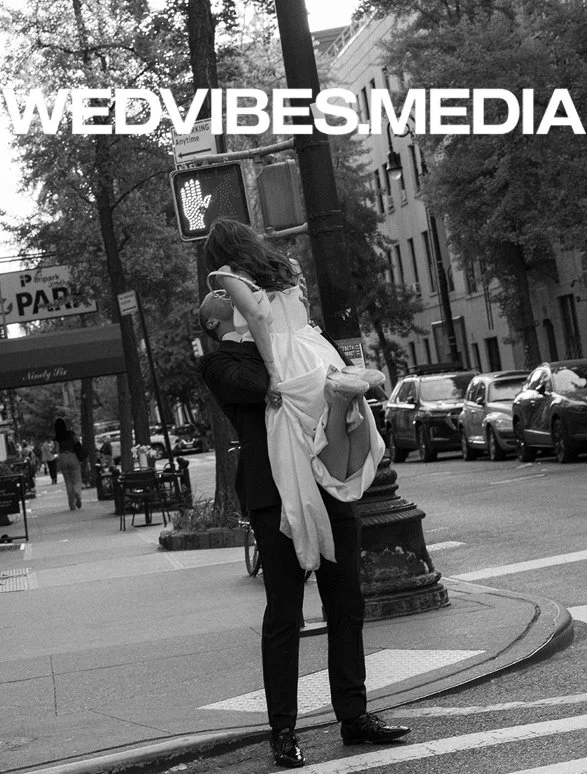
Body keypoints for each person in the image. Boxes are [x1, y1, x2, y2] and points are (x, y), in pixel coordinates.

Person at [199, 292, 410, 768]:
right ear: (215, 326)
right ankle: (283, 729)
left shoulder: (291, 338)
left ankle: (354, 715)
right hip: (275, 498)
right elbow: (255, 384)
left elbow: (330, 370)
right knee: (284, 614)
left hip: (326, 481)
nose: (240, 301)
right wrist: (266, 341)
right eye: (225, 302)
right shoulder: (221, 363)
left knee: (346, 602)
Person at [203, 219, 386, 572]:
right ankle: (341, 399)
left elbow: (257, 314)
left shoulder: (225, 274)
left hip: (284, 354)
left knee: (293, 440)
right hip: (315, 351)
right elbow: (301, 307)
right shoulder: (286, 266)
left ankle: (310, 511)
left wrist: (272, 369)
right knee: (328, 426)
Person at [54, 418, 82, 510]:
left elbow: (55, 450)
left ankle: (72, 505)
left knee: (68, 482)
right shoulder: (71, 434)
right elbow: (77, 443)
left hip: (63, 457)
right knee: (77, 479)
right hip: (73, 456)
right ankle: (77, 492)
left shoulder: (57, 437)